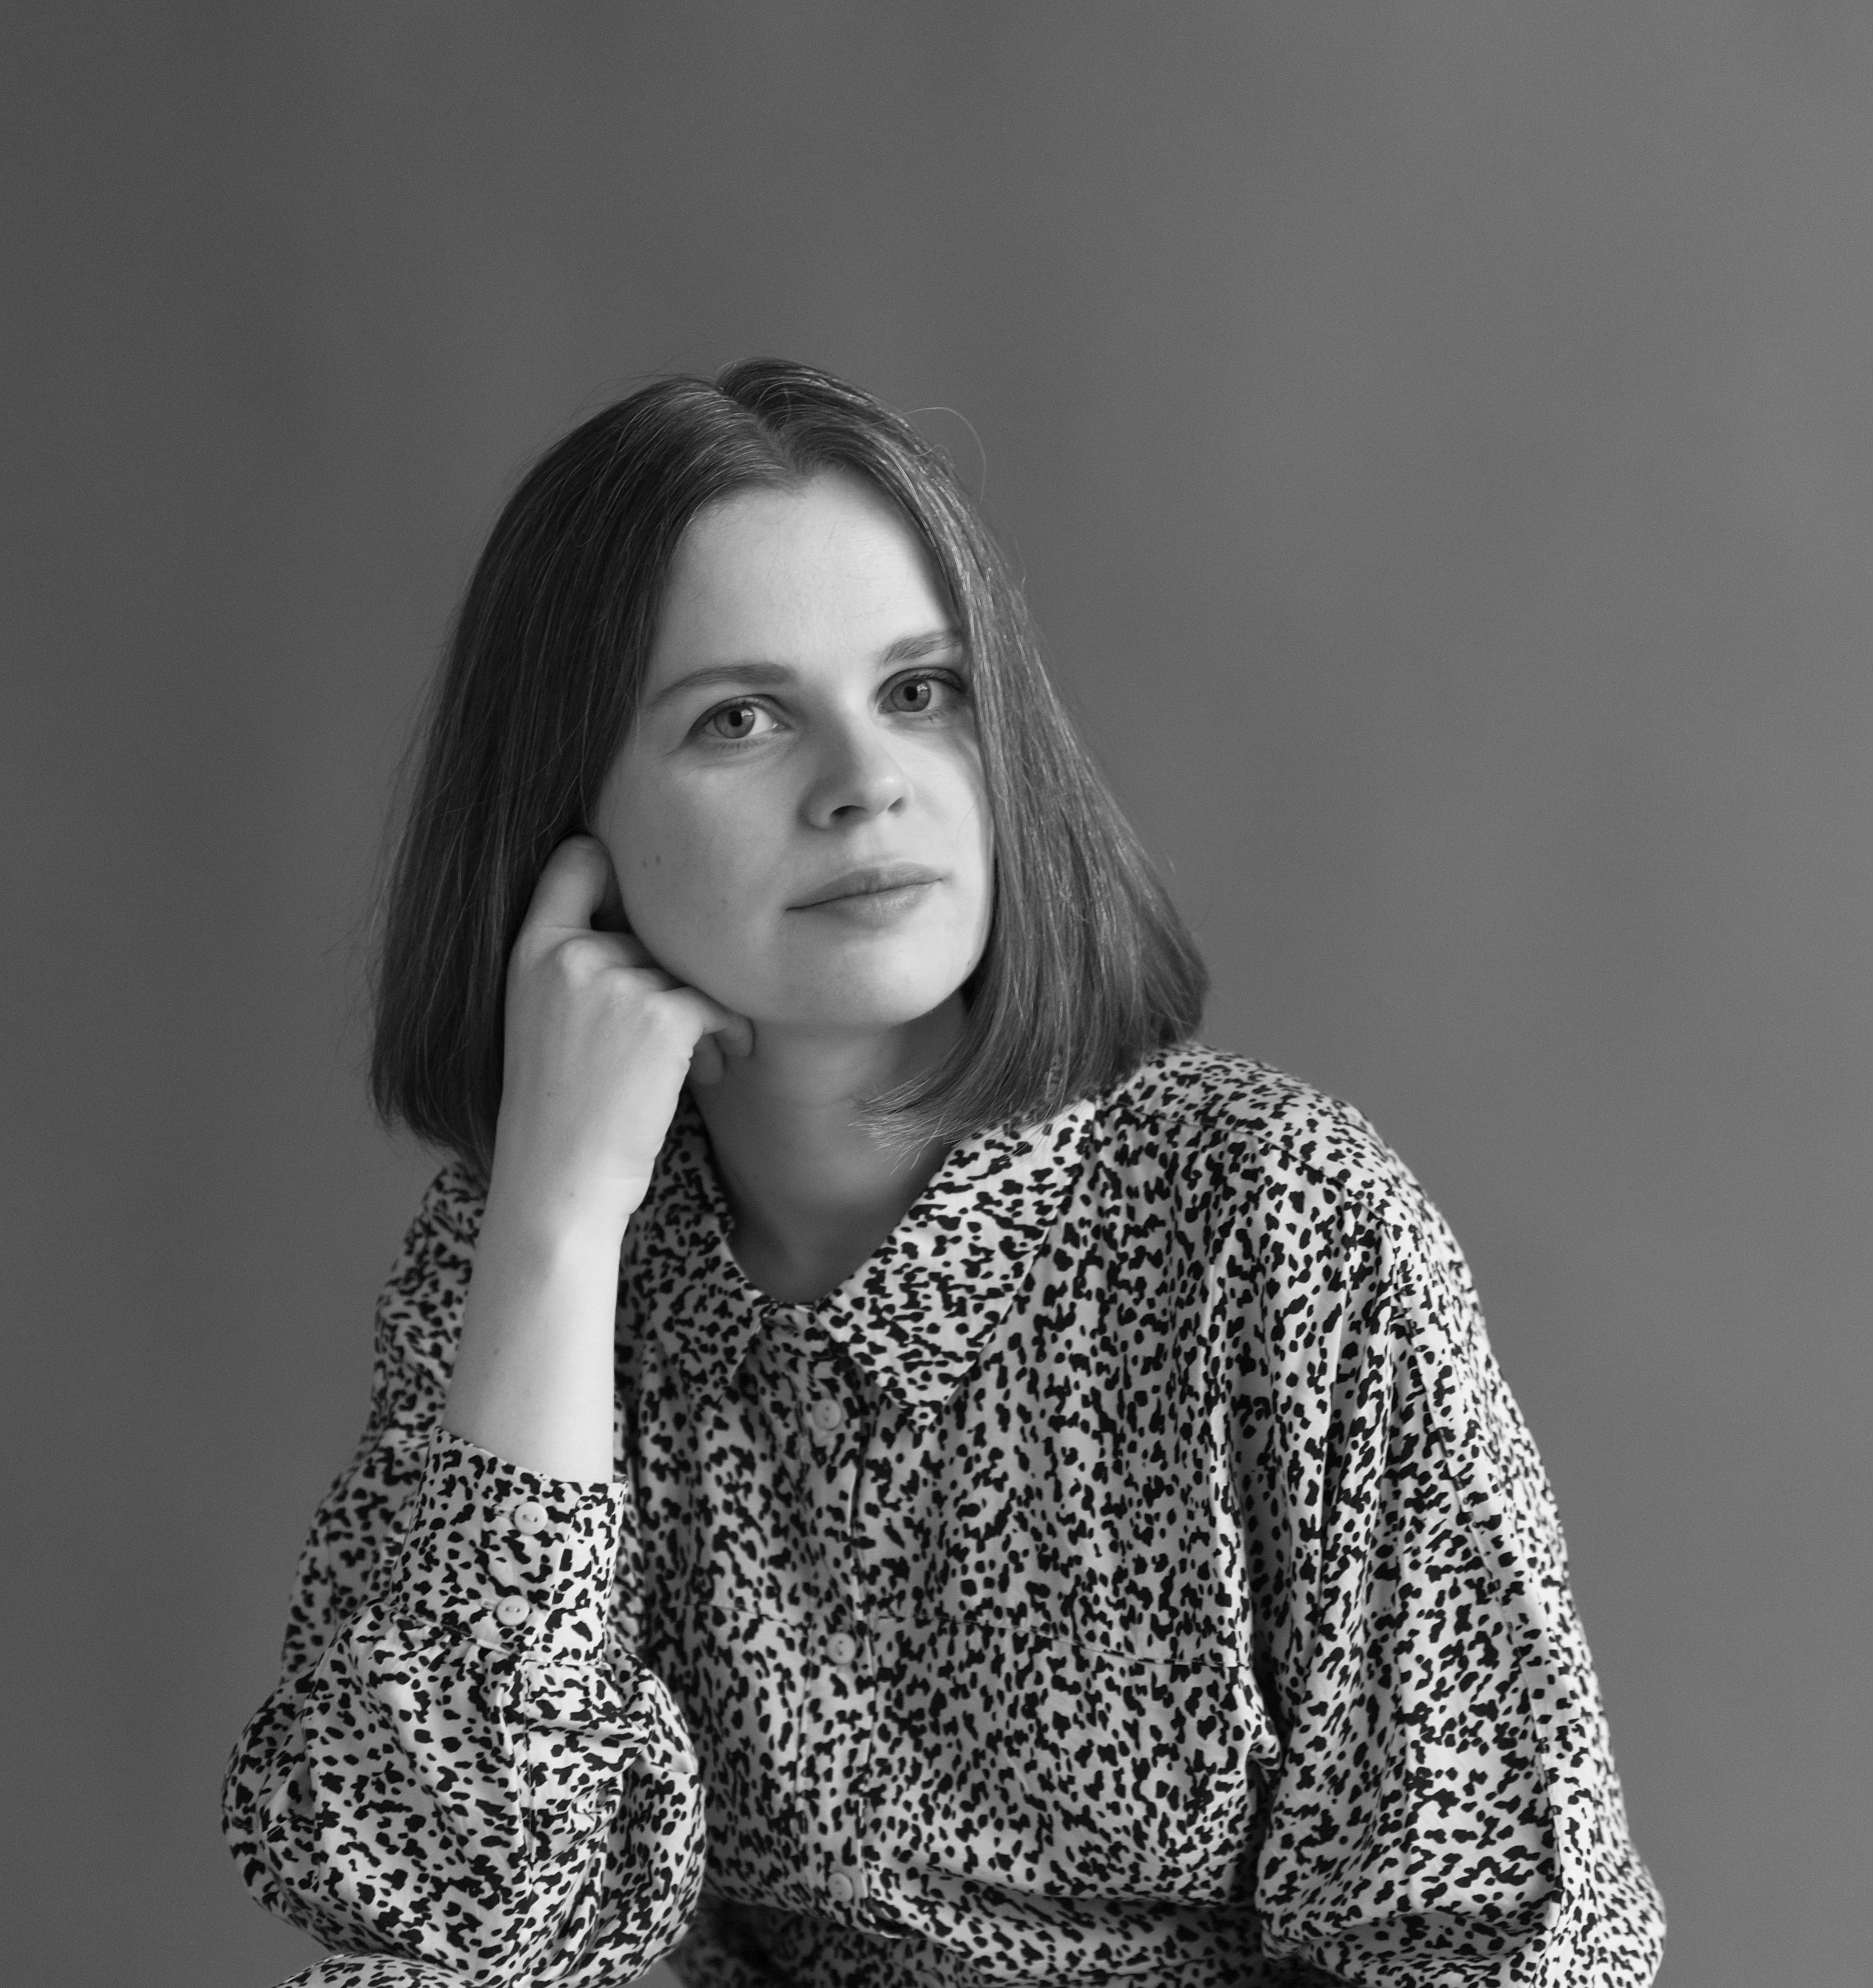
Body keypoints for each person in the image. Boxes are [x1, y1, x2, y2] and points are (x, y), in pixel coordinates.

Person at [223, 359, 1666, 1988]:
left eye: (921, 690)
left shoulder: (1273, 1222)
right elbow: (441, 1915)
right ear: (570, 834)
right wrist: (555, 1227)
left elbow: (1499, 1946)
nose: (866, 781)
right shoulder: (523, 1271)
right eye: (740, 718)